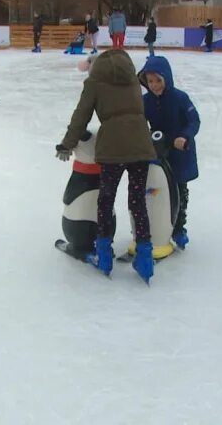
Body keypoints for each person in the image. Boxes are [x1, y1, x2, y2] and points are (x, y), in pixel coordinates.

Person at [56, 49, 157, 283]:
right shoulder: (131, 77)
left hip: (113, 147)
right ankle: (144, 257)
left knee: (106, 199)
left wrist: (67, 144)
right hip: (140, 144)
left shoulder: (95, 82)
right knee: (137, 202)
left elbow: (81, 115)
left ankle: (103, 256)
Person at [138, 56, 200, 250]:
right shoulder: (145, 101)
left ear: (167, 78)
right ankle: (154, 227)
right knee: (156, 190)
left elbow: (194, 121)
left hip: (179, 153)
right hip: (158, 152)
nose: (154, 85)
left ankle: (179, 228)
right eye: (150, 81)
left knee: (179, 192)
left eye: (158, 80)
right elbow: (139, 123)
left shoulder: (180, 98)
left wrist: (184, 137)